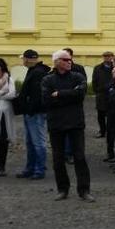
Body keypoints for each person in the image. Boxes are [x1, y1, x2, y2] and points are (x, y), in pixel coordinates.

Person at [42, 49, 93, 202]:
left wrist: (59, 94)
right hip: (56, 123)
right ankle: (62, 189)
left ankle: (84, 190)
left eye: (70, 59)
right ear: (57, 62)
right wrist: (70, 94)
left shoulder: (77, 77)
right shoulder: (47, 80)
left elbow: (80, 94)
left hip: (75, 123)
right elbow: (47, 100)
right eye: (65, 59)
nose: (69, 62)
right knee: (58, 159)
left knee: (79, 157)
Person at [17, 49, 49, 180]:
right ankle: (31, 168)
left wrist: (30, 108)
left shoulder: (37, 73)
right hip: (32, 111)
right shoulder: (37, 71)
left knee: (37, 142)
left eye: (23, 58)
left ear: (28, 59)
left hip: (35, 112)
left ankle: (38, 169)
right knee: (31, 142)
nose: (23, 61)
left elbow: (36, 94)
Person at [91, 51, 115, 161]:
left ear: (112, 57)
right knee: (100, 114)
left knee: (111, 115)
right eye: (106, 56)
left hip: (112, 94)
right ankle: (102, 130)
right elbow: (94, 81)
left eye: (110, 56)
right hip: (101, 94)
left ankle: (111, 130)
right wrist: (97, 91)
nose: (108, 58)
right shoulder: (98, 68)